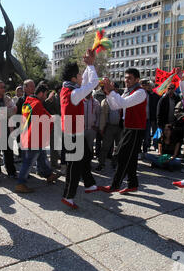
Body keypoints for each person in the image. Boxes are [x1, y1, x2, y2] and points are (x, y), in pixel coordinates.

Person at [59, 49, 106, 209]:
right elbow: (92, 84)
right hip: (73, 135)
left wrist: (88, 64)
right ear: (73, 78)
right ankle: (68, 196)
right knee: (74, 166)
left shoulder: (68, 89)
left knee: (85, 157)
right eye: (78, 75)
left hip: (73, 133)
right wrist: (91, 65)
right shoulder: (73, 93)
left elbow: (85, 80)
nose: (81, 77)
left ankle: (89, 184)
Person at [101, 68, 147, 194]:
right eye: (125, 77)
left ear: (137, 80)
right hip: (127, 128)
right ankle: (133, 184)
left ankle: (115, 185)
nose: (126, 80)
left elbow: (123, 103)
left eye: (129, 78)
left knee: (122, 155)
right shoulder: (128, 91)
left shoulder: (140, 92)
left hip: (136, 129)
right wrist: (108, 93)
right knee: (130, 158)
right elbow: (116, 106)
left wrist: (111, 92)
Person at [15, 82, 59, 193]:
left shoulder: (28, 102)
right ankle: (21, 183)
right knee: (28, 162)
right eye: (45, 94)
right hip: (33, 138)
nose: (45, 97)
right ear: (41, 93)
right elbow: (45, 118)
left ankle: (48, 175)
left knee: (42, 156)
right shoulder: (37, 104)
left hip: (28, 135)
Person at [0, 80, 17, 181]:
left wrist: (3, 112)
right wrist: (7, 112)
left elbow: (14, 111)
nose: (4, 89)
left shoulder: (7, 98)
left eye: (4, 87)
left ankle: (11, 172)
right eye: (1, 87)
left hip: (6, 128)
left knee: (8, 152)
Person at [96, 85, 122, 172]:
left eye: (116, 89)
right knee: (105, 147)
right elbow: (103, 116)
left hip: (120, 127)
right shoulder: (105, 101)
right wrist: (101, 128)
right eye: (113, 89)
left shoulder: (121, 100)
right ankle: (101, 164)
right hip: (109, 127)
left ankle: (115, 163)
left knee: (119, 147)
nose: (114, 90)